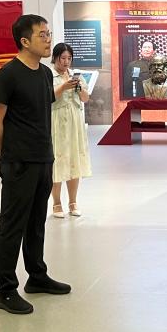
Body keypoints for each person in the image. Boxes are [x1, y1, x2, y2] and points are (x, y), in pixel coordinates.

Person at [0, 14, 71, 315]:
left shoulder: (45, 74)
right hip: (19, 162)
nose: (48, 40)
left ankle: (37, 276)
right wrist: (9, 155)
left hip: (43, 158)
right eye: (42, 35)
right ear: (25, 41)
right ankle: (6, 290)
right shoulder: (7, 75)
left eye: (49, 34)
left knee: (36, 222)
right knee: (12, 225)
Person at [48, 42, 92, 219]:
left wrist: (78, 87)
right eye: (63, 58)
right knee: (57, 159)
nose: (66, 62)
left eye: (69, 58)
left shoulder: (75, 76)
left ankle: (73, 202)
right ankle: (56, 203)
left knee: (74, 158)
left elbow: (85, 98)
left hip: (75, 121)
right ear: (55, 58)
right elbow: (47, 97)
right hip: (57, 121)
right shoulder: (48, 75)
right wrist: (64, 87)